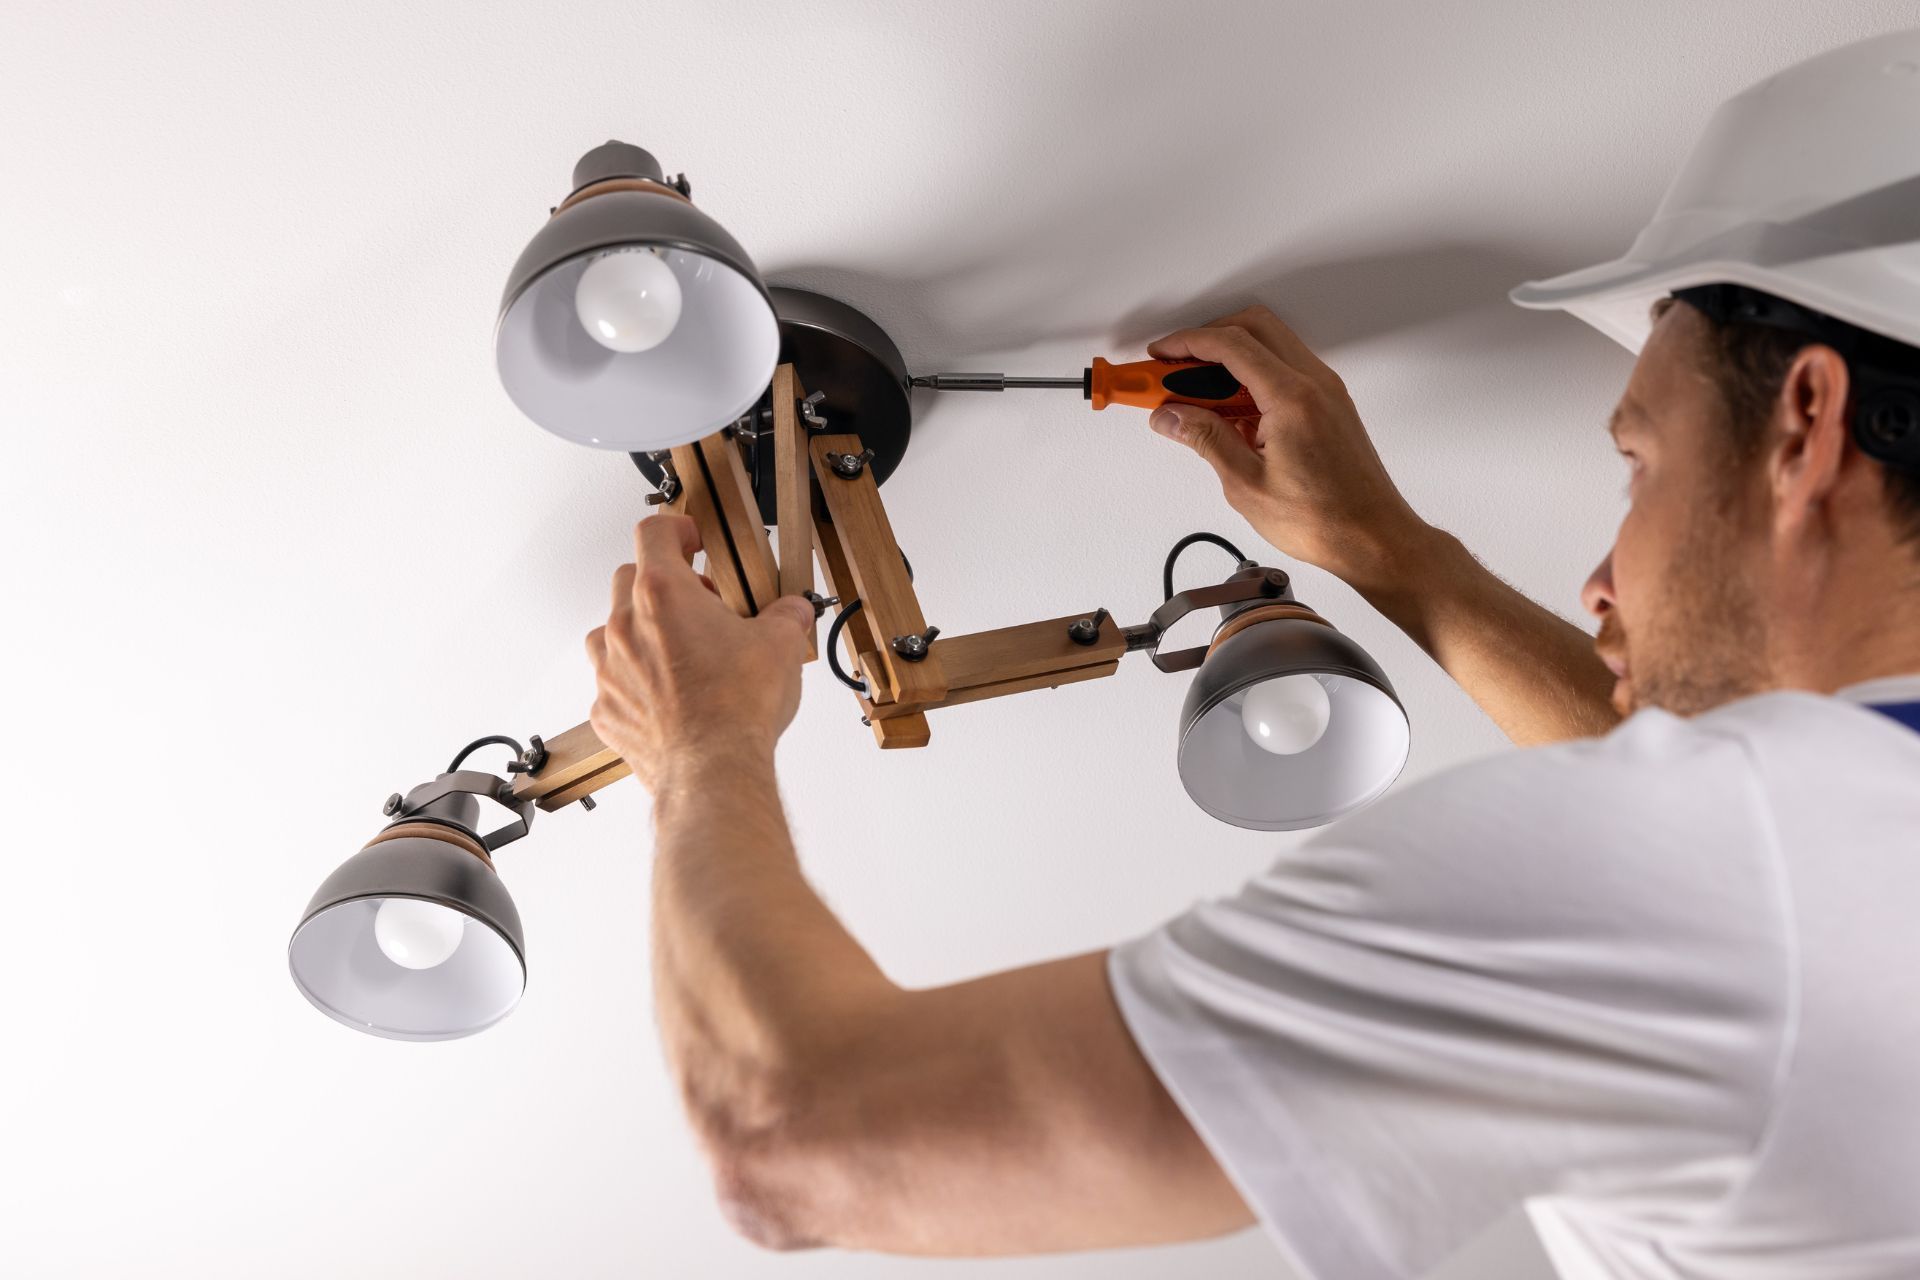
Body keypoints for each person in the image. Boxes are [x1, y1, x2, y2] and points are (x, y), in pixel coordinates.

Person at [583, 30, 1920, 1280]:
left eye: (1637, 462)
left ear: (1804, 421)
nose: (1597, 578)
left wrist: (700, 747)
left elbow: (793, 1135)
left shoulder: (1723, 877)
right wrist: (1391, 552)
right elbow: (1757, 878)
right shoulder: (1797, 880)